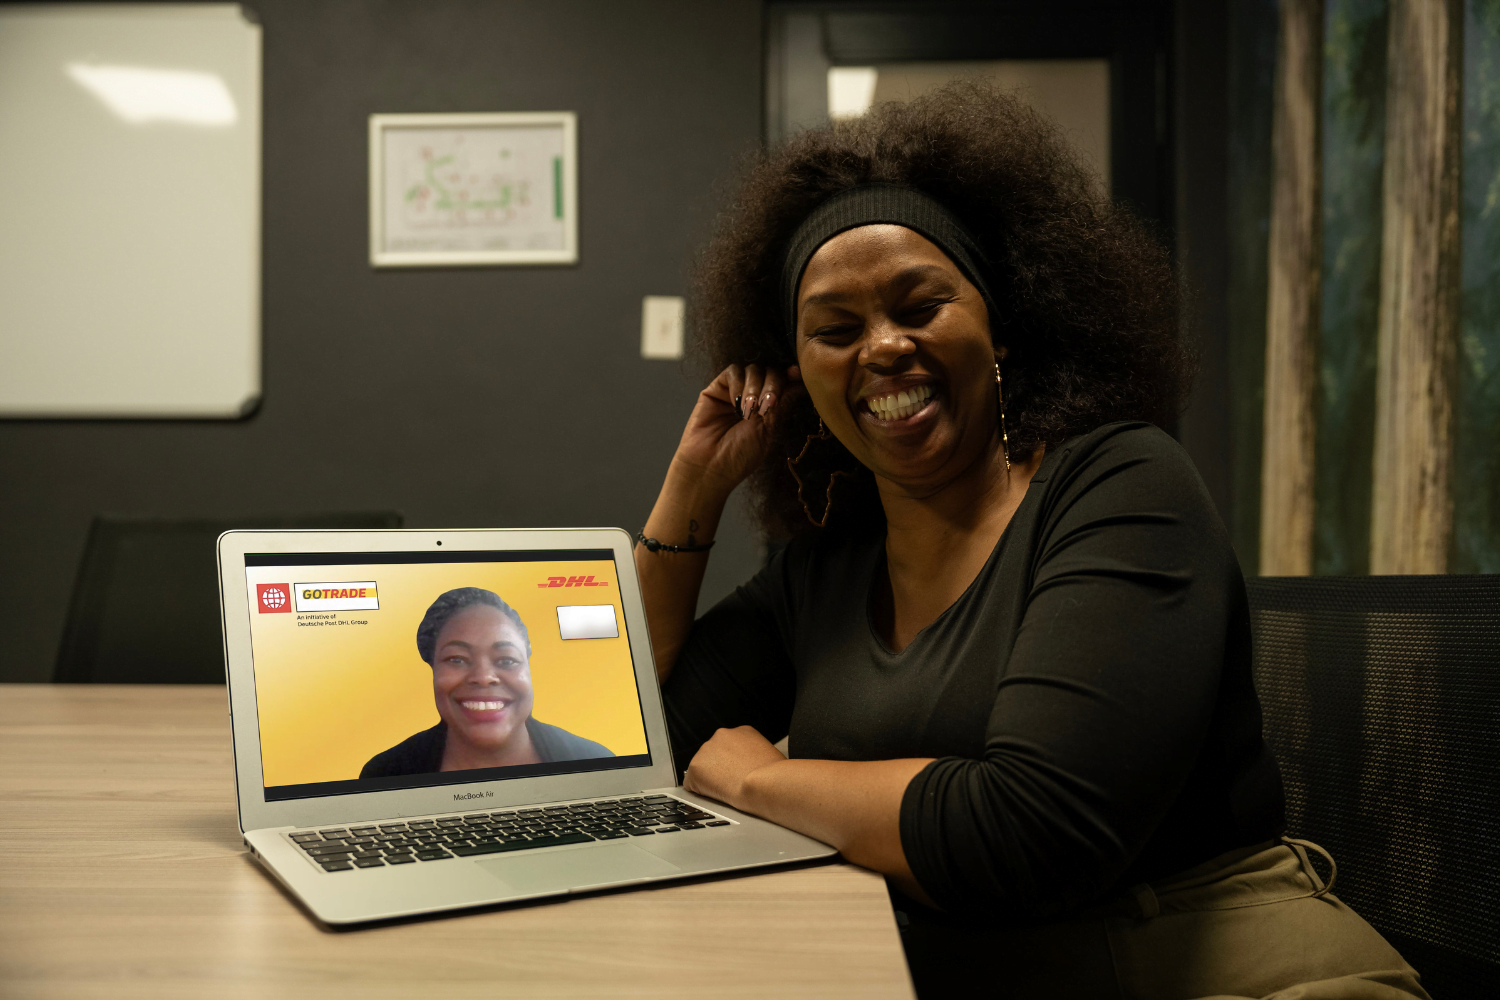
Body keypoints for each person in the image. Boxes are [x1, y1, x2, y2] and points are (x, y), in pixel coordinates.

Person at [637, 83, 1428, 999]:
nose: (883, 348)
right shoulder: (825, 569)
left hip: (1212, 969)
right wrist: (689, 494)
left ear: (1001, 328)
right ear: (797, 373)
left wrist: (767, 782)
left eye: (919, 305)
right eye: (835, 330)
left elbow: (1031, 836)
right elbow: (644, 745)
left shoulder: (1121, 487)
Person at [361, 587, 612, 777]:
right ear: (432, 668)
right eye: (457, 659)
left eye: (506, 660)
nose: (483, 677)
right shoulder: (385, 773)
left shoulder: (598, 764)